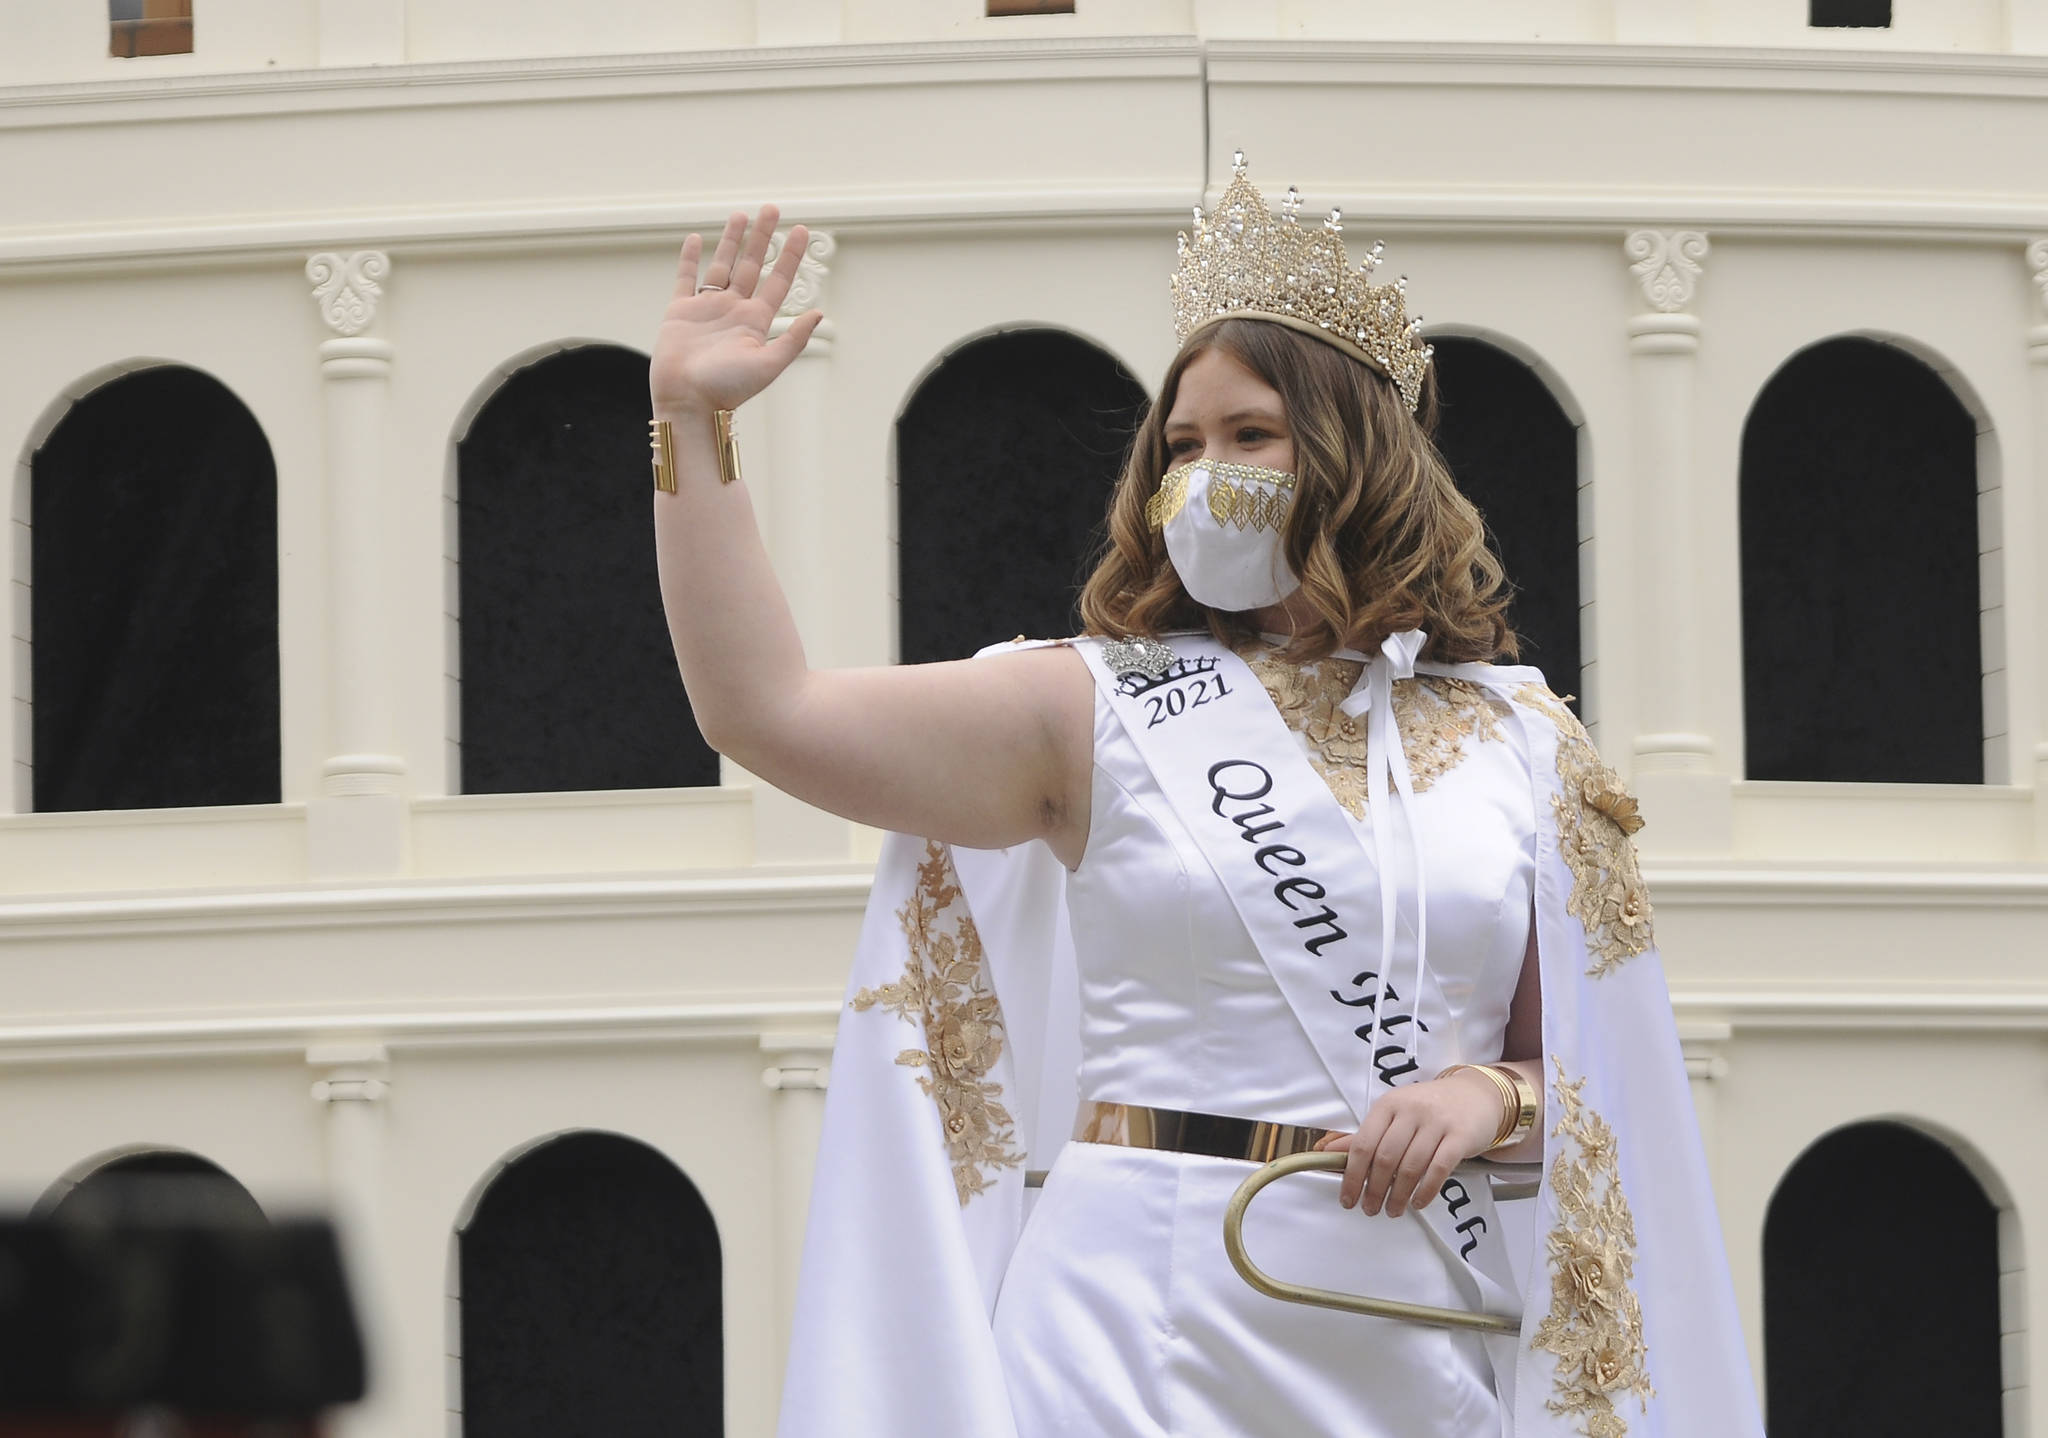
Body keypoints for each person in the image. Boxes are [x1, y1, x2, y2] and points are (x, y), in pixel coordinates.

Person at [650, 156, 1767, 1437]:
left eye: (1249, 435)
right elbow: (764, 710)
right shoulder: (1085, 704)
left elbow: (1591, 1081)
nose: (1202, 473)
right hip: (1127, 1318)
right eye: (1179, 444)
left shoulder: (1518, 738)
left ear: (1354, 455)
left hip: (1408, 1319)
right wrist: (688, 424)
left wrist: (1482, 1097)